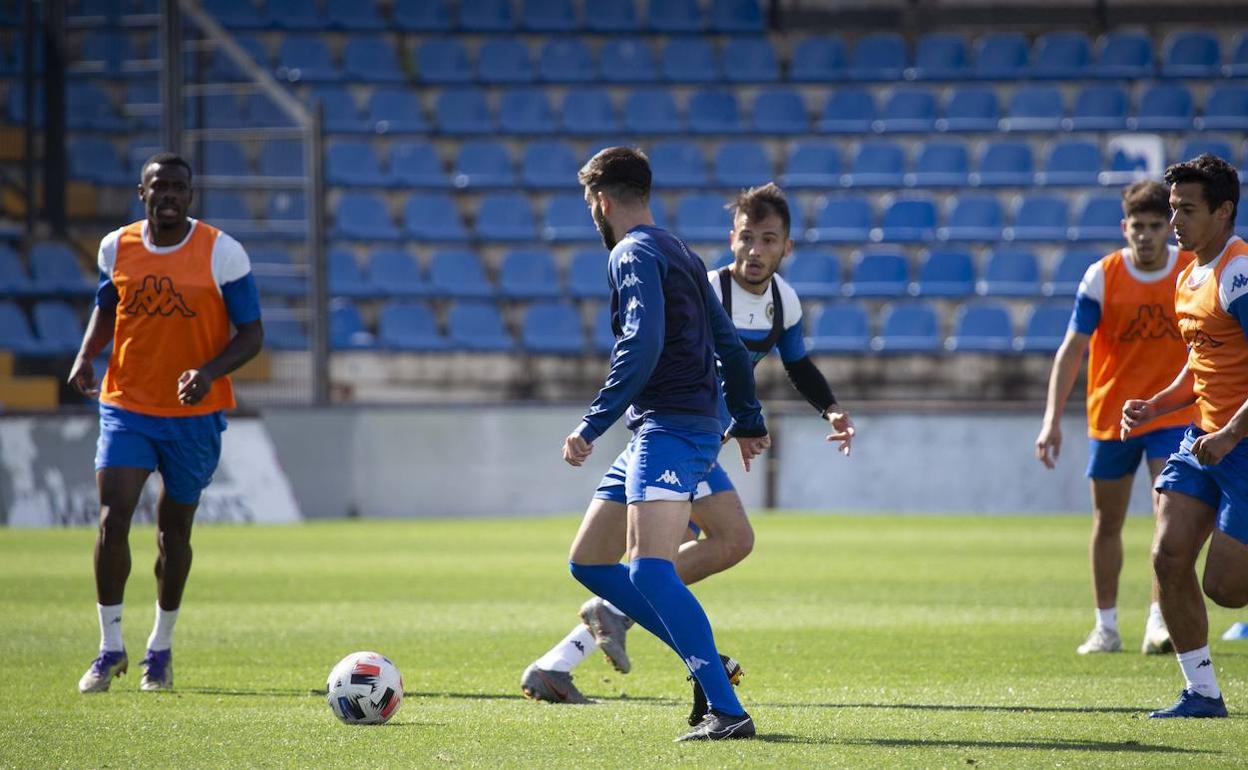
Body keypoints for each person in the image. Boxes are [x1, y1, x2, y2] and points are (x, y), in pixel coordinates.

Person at [522, 183, 855, 717]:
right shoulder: (703, 282)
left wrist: (825, 409)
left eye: (767, 240)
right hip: (679, 433)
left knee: (716, 544)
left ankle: (574, 651)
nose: (754, 249)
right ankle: (640, 650)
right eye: (746, 237)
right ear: (732, 239)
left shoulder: (782, 302)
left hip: (692, 436)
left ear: (785, 248)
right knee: (656, 561)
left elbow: (795, 364)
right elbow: (659, 343)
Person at [559, 147, 770, 741]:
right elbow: (728, 344)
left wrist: (591, 423)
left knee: (649, 571)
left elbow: (642, 342)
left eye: (590, 204)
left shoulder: (630, 252)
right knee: (589, 563)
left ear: (601, 200)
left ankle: (727, 710)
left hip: (669, 426)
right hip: (674, 424)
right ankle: (711, 665)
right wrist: (749, 419)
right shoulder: (679, 249)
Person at [70, 152, 264, 693]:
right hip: (127, 403)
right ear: (143, 193)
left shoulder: (223, 253)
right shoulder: (117, 246)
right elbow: (109, 306)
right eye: (161, 187)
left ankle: (160, 647)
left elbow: (251, 334)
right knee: (112, 517)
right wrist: (87, 354)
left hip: (194, 416)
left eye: (180, 187)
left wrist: (208, 372)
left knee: (172, 531)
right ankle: (109, 649)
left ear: (191, 195)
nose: (170, 196)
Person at [1035, 181, 1193, 656]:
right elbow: (1072, 352)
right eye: (1137, 227)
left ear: (1169, 227)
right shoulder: (1101, 277)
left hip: (1172, 412)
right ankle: (1105, 626)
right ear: (1124, 228)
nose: (1145, 235)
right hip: (1112, 416)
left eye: (1155, 226)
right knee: (1108, 520)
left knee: (1169, 519)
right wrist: (1051, 419)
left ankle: (1158, 620)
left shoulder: (1190, 273)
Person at [1121, 153, 1248, 719]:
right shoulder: (1189, 273)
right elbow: (1201, 366)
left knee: (1226, 588)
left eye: (1187, 210)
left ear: (1223, 212)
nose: (1175, 222)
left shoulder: (1238, 273)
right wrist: (1157, 404)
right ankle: (1201, 693)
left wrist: (1230, 432)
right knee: (1168, 556)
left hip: (1239, 441)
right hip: (1205, 439)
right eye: (1172, 209)